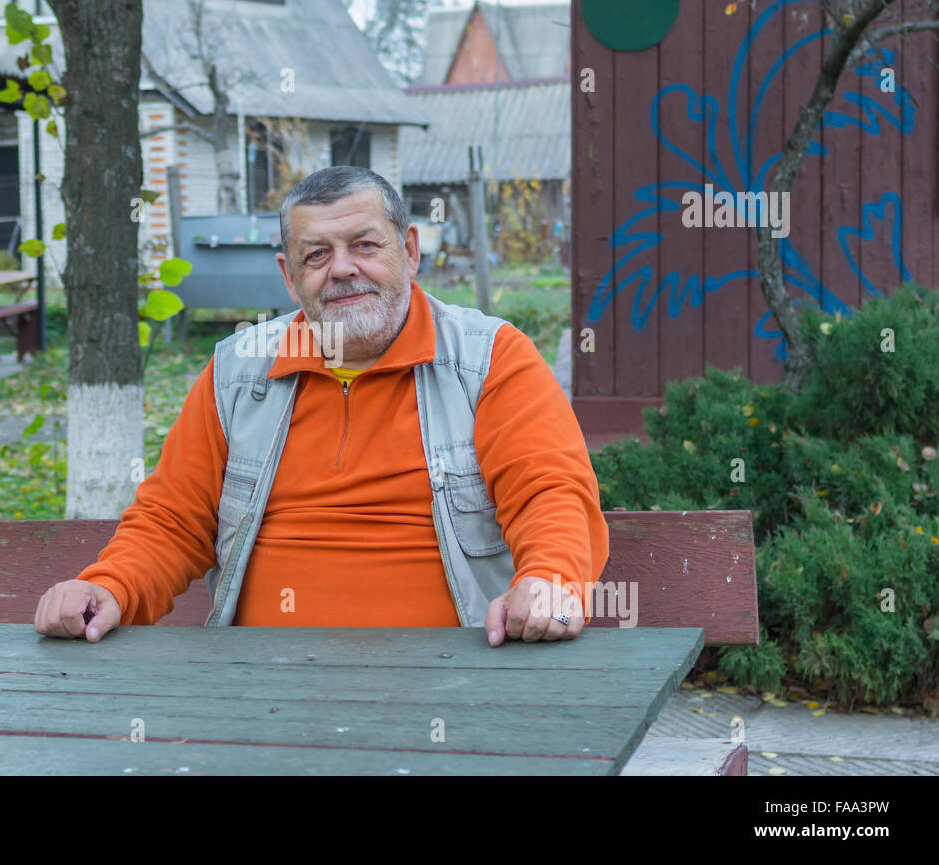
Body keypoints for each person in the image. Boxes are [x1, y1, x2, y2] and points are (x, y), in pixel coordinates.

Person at [35, 166, 608, 645]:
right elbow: (172, 520)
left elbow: (550, 492)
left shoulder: (489, 360)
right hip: (264, 694)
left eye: (364, 245)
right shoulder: (238, 370)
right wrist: (108, 587)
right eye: (316, 254)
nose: (342, 268)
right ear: (290, 277)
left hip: (456, 683)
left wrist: (549, 579)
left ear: (409, 251)